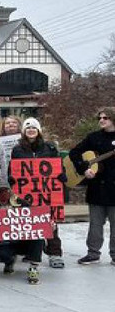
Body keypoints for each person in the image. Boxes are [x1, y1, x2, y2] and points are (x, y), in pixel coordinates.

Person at [10, 117, 65, 269]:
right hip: (27, 193)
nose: (31, 130)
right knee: (29, 222)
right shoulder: (17, 149)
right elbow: (13, 167)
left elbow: (58, 165)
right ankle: (31, 253)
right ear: (24, 132)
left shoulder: (50, 148)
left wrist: (61, 175)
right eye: (28, 128)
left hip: (46, 192)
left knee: (50, 221)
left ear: (38, 130)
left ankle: (55, 254)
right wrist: (12, 178)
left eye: (34, 128)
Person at [70, 107, 115, 266]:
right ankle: (93, 253)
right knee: (95, 225)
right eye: (100, 118)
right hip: (97, 188)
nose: (102, 120)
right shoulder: (93, 137)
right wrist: (84, 169)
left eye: (106, 117)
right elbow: (74, 153)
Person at [0, 181, 44, 284]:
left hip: (22, 240)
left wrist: (49, 225)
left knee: (38, 238)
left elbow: (36, 219)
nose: (4, 193)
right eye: (0, 191)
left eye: (6, 190)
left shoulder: (22, 204)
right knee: (2, 254)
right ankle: (9, 261)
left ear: (10, 192)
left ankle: (33, 267)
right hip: (5, 242)